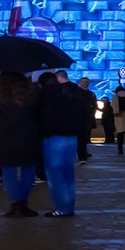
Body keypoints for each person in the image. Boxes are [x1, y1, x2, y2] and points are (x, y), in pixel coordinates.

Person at [0, 72, 43, 217]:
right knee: (29, 170)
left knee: (9, 171)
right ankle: (23, 203)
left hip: (4, 135)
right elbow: (39, 113)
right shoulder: (31, 92)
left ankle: (15, 204)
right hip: (29, 135)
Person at [38, 71, 87, 217]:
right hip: (71, 136)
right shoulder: (71, 93)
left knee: (55, 175)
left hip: (54, 137)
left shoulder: (44, 95)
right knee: (68, 173)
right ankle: (69, 206)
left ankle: (62, 207)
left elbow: (43, 117)